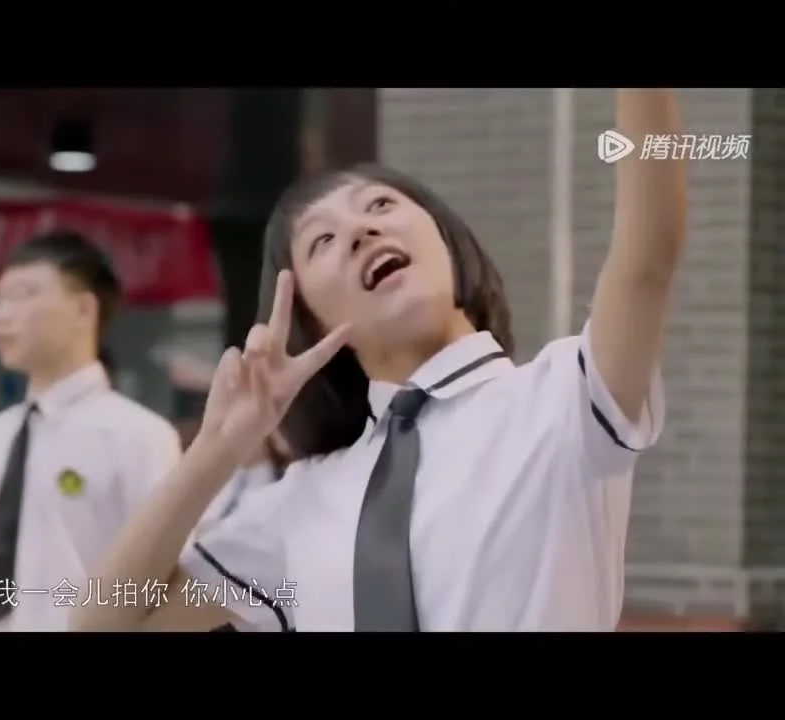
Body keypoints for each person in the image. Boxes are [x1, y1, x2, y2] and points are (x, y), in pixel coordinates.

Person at [73, 89, 684, 632]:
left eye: (381, 206)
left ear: (446, 240)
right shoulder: (303, 500)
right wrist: (217, 449)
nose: (361, 231)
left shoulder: (563, 399)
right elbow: (105, 619)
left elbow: (648, 255)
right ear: (311, 319)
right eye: (323, 241)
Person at [0, 230, 181, 631]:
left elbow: (169, 582)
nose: (3, 315)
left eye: (24, 295)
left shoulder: (139, 435)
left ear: (83, 309)